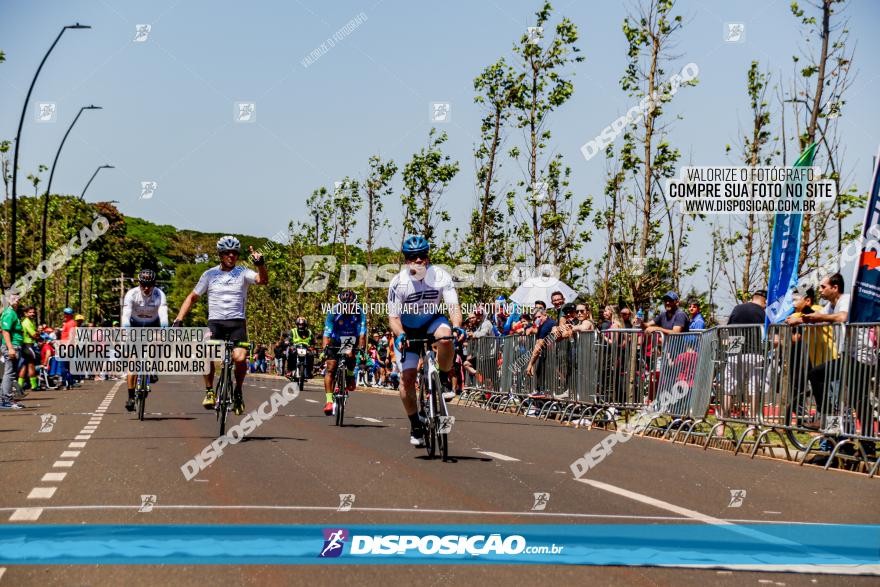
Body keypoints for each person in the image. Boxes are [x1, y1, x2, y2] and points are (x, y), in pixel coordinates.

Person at [173, 236, 268, 415]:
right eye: (227, 253)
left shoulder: (243, 272)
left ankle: (238, 390)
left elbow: (262, 280)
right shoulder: (209, 274)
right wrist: (178, 319)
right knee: (206, 353)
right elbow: (192, 297)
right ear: (220, 254)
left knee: (240, 359)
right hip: (215, 322)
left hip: (237, 323)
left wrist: (260, 264)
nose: (231, 256)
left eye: (234, 253)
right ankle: (209, 391)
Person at [388, 235, 465, 447]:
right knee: (408, 377)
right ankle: (415, 424)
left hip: (432, 320)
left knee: (446, 338)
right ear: (407, 261)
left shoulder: (440, 275)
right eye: (414, 257)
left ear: (428, 257)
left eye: (422, 256)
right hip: (408, 329)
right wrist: (401, 335)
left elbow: (453, 307)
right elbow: (393, 319)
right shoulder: (398, 283)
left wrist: (458, 326)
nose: (419, 260)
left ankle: (442, 378)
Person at [121, 269, 169, 411]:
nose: (146, 288)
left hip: (153, 325)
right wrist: (126, 332)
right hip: (134, 326)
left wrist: (164, 332)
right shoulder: (131, 294)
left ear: (154, 284)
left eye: (150, 285)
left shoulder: (159, 295)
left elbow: (163, 316)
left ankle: (153, 368)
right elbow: (125, 315)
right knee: (133, 363)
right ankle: (130, 397)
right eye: (143, 285)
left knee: (158, 342)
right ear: (139, 283)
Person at [322, 290, 367, 414]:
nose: (347, 307)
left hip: (350, 338)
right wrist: (324, 349)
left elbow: (362, 334)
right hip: (336, 339)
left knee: (350, 354)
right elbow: (326, 333)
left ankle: (351, 374)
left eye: (350, 305)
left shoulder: (359, 312)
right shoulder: (333, 311)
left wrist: (362, 349)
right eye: (344, 305)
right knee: (331, 368)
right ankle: (329, 401)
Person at [1, 295, 24, 409]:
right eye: (14, 298)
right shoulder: (9, 313)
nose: (17, 300)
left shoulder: (13, 313)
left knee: (11, 373)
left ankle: (5, 398)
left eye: (18, 298)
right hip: (12, 346)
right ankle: (6, 400)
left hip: (15, 346)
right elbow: (5, 331)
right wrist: (10, 348)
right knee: (9, 373)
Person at [18, 305, 39, 392]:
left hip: (25, 345)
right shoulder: (27, 322)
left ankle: (19, 385)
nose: (32, 314)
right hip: (28, 345)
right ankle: (34, 385)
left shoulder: (29, 321)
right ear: (25, 313)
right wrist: (38, 333)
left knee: (24, 365)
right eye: (30, 312)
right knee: (31, 365)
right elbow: (34, 335)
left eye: (33, 312)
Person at [289, 317, 314, 381]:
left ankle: (309, 371)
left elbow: (313, 340)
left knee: (311, 355)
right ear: (297, 324)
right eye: (299, 324)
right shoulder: (293, 331)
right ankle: (290, 371)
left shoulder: (309, 332)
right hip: (295, 347)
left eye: (302, 324)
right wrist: (290, 343)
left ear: (305, 325)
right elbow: (289, 339)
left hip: (306, 347)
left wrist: (312, 345)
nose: (301, 326)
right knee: (290, 353)